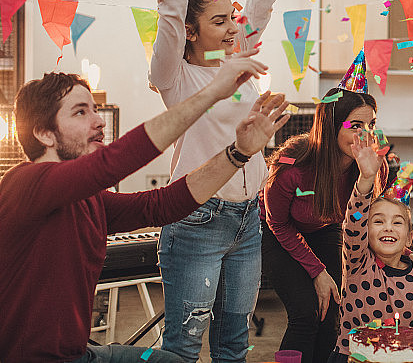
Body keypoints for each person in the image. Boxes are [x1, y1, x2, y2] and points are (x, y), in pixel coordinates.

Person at [0, 54, 289, 363]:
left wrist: (239, 152)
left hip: (78, 354)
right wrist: (213, 92)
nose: (98, 121)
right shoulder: (25, 183)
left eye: (95, 109)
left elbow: (162, 205)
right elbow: (113, 163)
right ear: (44, 133)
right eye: (81, 112)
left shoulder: (88, 199)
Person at [148, 0, 307, 361]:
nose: (233, 27)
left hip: (246, 220)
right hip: (197, 219)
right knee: (183, 347)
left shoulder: (239, 65)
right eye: (219, 21)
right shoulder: (174, 75)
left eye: (232, 18)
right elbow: (170, 13)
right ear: (193, 34)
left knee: (235, 345)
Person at [261, 87, 389, 363]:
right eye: (355, 125)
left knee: (332, 308)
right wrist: (317, 271)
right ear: (331, 126)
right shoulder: (292, 166)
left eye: (371, 125)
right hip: (276, 230)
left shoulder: (375, 165)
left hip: (325, 228)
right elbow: (278, 223)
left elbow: (369, 218)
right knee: (305, 313)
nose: (365, 135)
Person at [329, 130, 413, 363]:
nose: (388, 227)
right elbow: (353, 223)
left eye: (397, 222)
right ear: (366, 234)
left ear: (409, 238)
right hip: (352, 358)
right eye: (378, 221)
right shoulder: (358, 264)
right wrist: (366, 179)